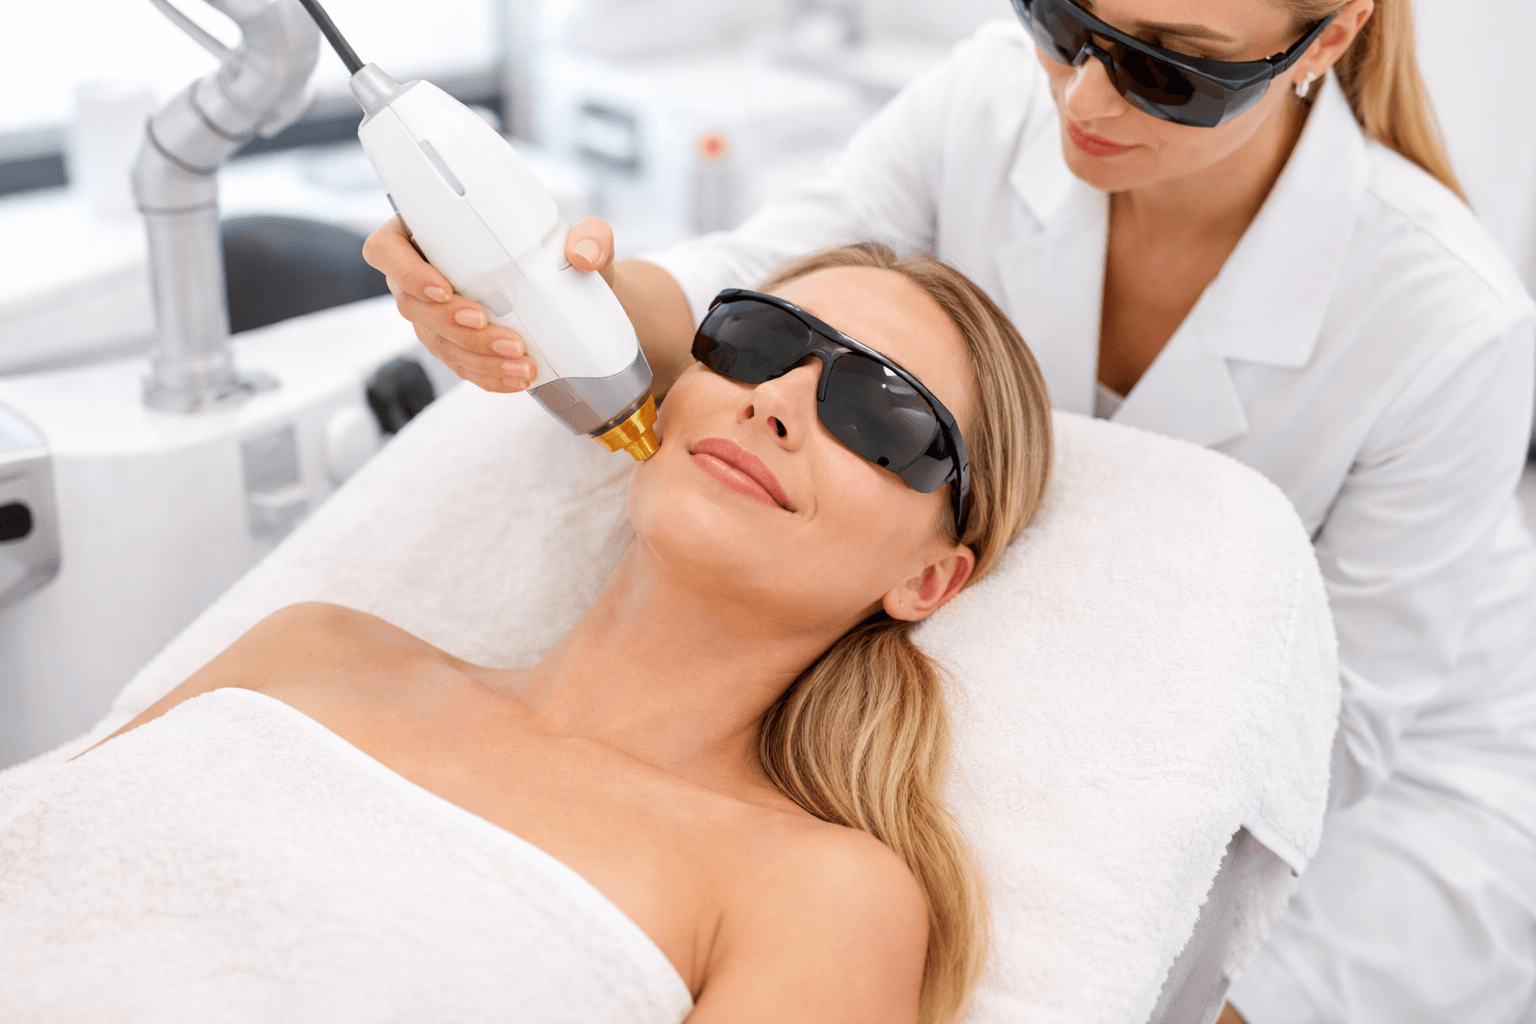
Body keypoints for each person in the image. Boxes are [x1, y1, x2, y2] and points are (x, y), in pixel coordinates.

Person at [366, 0, 1536, 1021]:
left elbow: (1327, 744)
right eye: (1061, 18)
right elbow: (754, 275)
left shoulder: (1448, 323)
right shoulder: (985, 103)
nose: (1085, 97)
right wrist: (535, 286)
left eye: (1171, 69)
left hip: (1386, 807)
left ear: (1325, 40)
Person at [40, 246, 1054, 1024]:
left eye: (881, 413)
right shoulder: (310, 650)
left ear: (928, 579)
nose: (776, 402)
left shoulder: (817, 892)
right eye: (756, 342)